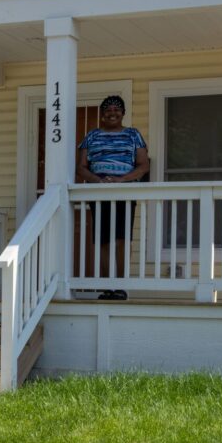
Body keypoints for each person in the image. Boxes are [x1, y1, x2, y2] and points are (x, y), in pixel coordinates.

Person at [76, 96, 149, 300]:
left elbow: (143, 165)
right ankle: (109, 285)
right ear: (102, 114)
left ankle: (121, 285)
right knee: (104, 240)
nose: (112, 113)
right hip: (99, 193)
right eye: (108, 110)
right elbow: (81, 167)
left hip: (124, 192)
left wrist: (121, 180)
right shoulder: (92, 136)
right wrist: (98, 182)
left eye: (117, 109)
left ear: (123, 113)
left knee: (122, 239)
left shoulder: (133, 134)